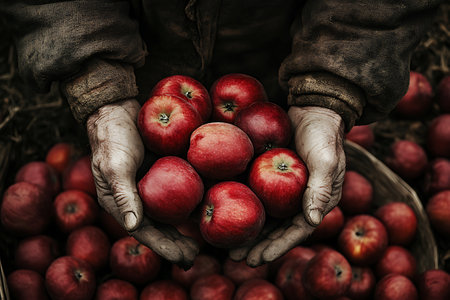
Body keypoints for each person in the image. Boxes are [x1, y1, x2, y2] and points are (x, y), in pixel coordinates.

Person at [1, 0, 443, 268]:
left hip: (277, 56)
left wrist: (331, 90)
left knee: (260, 111)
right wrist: (98, 88)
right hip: (141, 52)